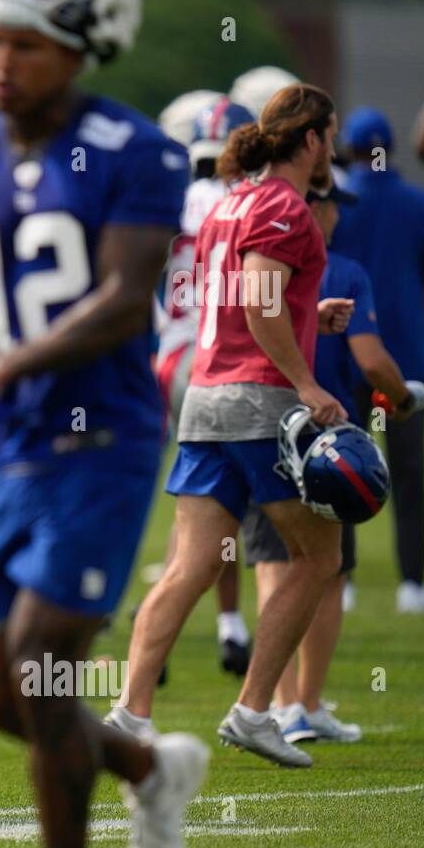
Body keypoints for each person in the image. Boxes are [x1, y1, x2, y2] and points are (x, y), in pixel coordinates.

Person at [0, 0, 207, 848]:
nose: (2, 62)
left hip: (100, 441)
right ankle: (149, 769)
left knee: (40, 661)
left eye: (27, 45)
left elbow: (126, 300)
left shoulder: (133, 150)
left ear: (81, 51)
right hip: (7, 449)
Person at [111, 83, 351, 769]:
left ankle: (130, 714)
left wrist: (314, 314)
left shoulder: (230, 200)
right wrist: (307, 382)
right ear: (309, 140)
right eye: (327, 136)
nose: (332, 150)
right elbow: (258, 301)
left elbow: (243, 294)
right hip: (259, 399)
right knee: (319, 557)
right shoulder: (283, 205)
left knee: (189, 564)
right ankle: (253, 710)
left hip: (205, 394)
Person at [245, 177, 424, 743]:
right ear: (313, 207)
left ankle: (283, 704)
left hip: (260, 424)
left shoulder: (252, 259)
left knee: (273, 563)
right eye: (330, 206)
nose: (335, 218)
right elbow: (371, 362)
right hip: (325, 435)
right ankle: (303, 705)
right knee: (324, 570)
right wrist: (404, 399)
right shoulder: (343, 270)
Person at [154, 96, 258, 676]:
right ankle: (225, 625)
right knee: (227, 507)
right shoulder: (249, 203)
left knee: (205, 502)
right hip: (224, 362)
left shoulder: (171, 199)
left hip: (171, 359)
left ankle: (223, 627)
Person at [330, 107, 424, 613]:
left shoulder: (336, 203)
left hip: (343, 353)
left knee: (343, 468)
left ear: (347, 147)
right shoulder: (420, 205)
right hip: (406, 357)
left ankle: (342, 581)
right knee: (410, 472)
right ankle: (412, 584)